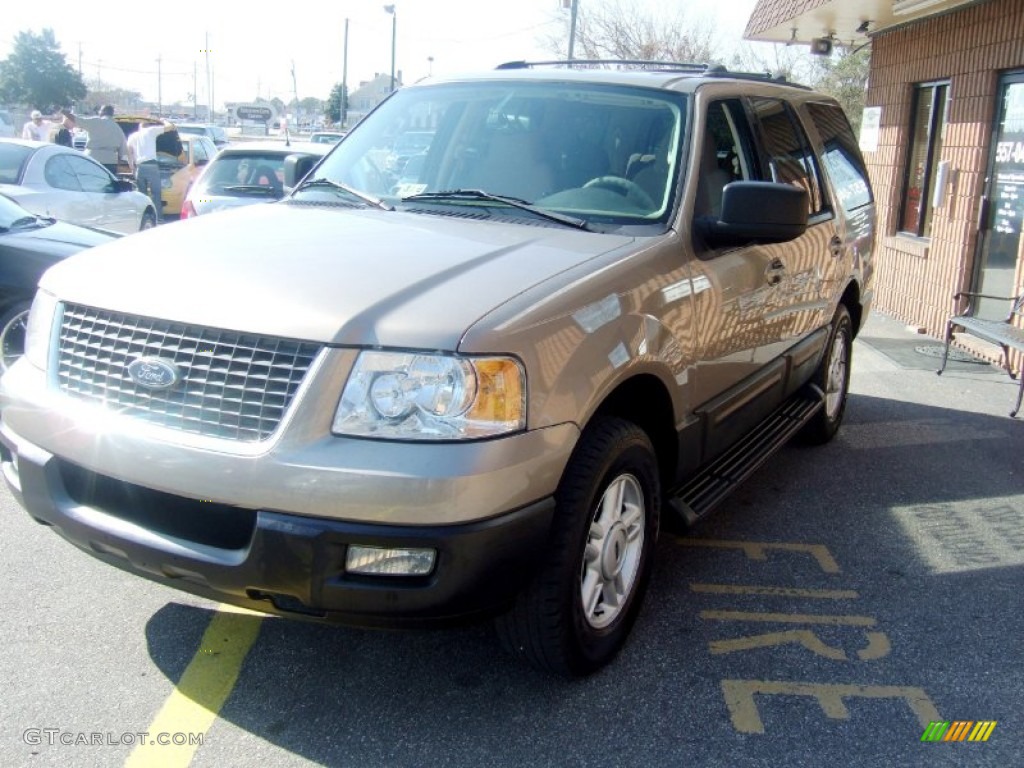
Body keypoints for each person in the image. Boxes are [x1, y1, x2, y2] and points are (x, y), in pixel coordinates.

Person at [127, 120, 175, 224]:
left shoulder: (133, 136)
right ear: (148, 126)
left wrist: (132, 168)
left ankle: (142, 218)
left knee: (141, 195)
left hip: (139, 168)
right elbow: (170, 127)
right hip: (151, 167)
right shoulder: (151, 130)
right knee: (156, 194)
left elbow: (129, 153)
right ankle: (159, 219)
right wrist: (162, 120)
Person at [62, 105, 128, 174]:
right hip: (110, 162)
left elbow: (77, 120)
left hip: (93, 159)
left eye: (100, 110)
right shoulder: (117, 128)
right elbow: (123, 151)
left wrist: (64, 112)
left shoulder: (95, 121)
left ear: (103, 112)